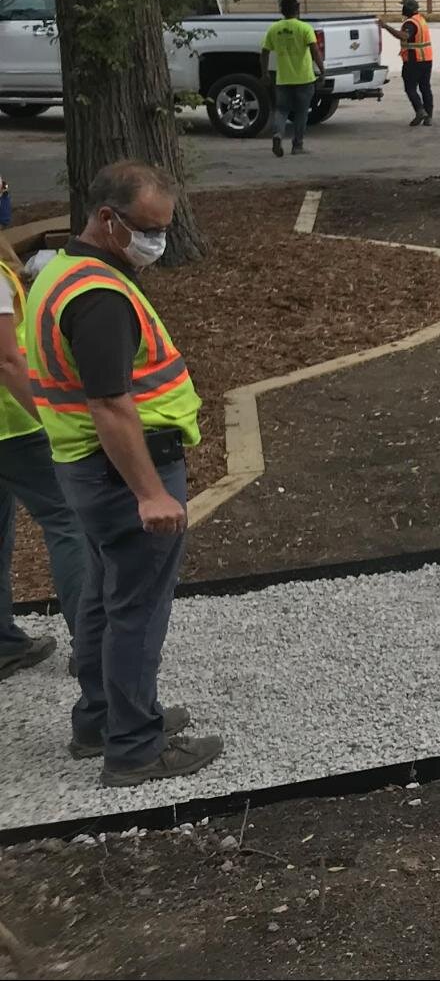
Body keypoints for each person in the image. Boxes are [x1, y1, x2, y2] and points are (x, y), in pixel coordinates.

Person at [25, 161, 219, 785]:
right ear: (107, 219)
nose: (156, 243)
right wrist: (150, 492)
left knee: (103, 599)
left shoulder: (61, 272)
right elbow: (110, 403)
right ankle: (135, 747)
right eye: (147, 229)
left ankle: (101, 718)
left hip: (85, 469)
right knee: (137, 607)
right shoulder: (99, 296)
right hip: (124, 472)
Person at [0, 234, 85, 681]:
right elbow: (7, 361)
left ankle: (4, 644)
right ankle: (91, 648)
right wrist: (47, 415)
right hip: (14, 426)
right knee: (69, 523)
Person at [260, 0, 323, 158]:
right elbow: (315, 51)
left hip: (283, 78)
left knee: (281, 110)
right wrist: (322, 69)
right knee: (302, 113)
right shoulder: (304, 28)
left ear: (282, 11)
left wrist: (265, 73)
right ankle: (297, 145)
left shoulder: (274, 29)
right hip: (304, 78)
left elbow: (265, 52)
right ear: (297, 10)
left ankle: (278, 134)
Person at [380, 0, 434, 126]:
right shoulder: (420, 19)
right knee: (425, 88)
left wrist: (385, 26)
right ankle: (429, 117)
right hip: (426, 59)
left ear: (408, 9)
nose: (402, 9)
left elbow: (404, 36)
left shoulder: (410, 23)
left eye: (403, 6)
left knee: (410, 88)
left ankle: (420, 111)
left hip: (414, 60)